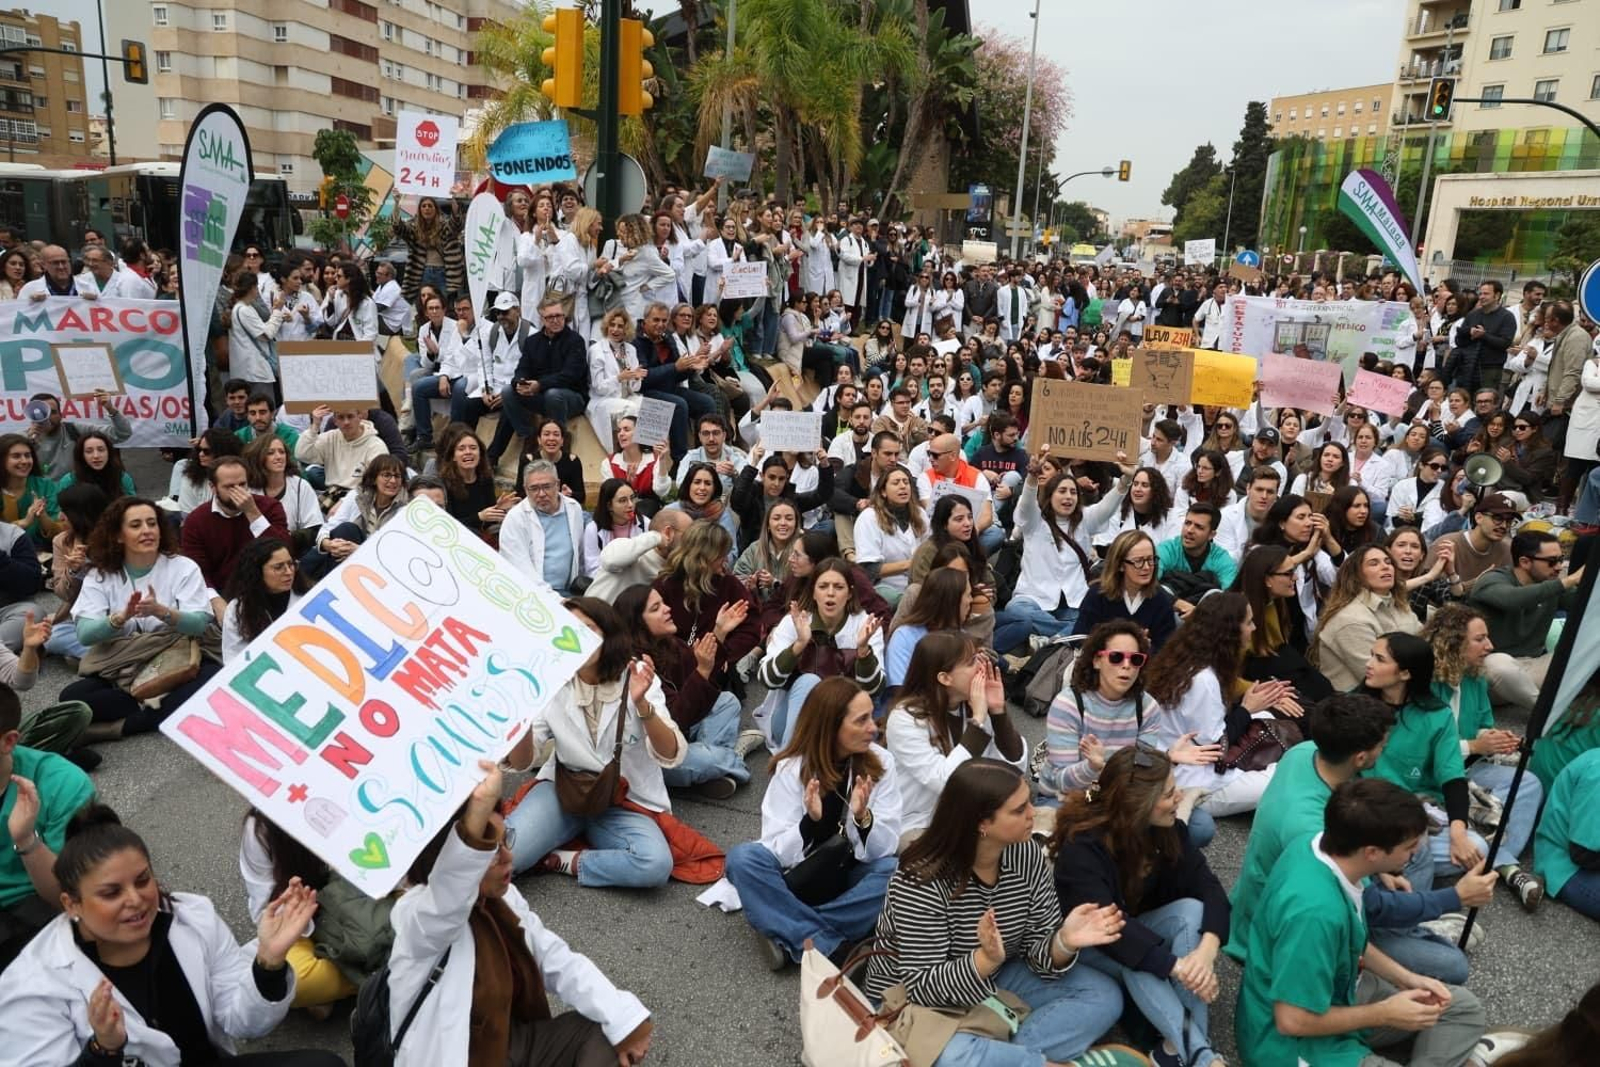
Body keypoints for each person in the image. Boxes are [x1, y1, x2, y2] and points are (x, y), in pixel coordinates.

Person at [0, 803, 342, 1067]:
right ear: (71, 903)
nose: (135, 900)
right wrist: (102, 1051)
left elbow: (242, 1023)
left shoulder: (192, 918)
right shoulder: (33, 983)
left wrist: (268, 963)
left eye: (142, 880)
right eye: (111, 893)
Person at [378, 759, 657, 1067]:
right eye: (490, 850)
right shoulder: (417, 917)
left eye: (505, 839)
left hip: (508, 1047)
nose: (509, 857)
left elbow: (553, 958)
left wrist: (624, 1019)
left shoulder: (505, 897)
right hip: (458, 1059)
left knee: (606, 1033)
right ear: (447, 859)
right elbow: (450, 896)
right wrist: (479, 808)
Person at [861, 758, 1135, 1066]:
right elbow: (923, 987)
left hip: (997, 977)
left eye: (1030, 802)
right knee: (952, 1057)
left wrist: (1064, 942)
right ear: (981, 823)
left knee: (1103, 995)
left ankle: (1004, 1056)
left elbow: (1037, 954)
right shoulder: (921, 878)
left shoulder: (1028, 854)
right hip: (911, 1002)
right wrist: (984, 959)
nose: (1034, 814)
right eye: (1019, 810)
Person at [1234, 778, 1487, 1067]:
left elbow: (1353, 941)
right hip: (1290, 1047)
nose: (1415, 853)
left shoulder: (1316, 846)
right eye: (1409, 846)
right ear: (1372, 853)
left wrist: (1409, 979)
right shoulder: (1314, 914)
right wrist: (1385, 1012)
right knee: (1446, 1012)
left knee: (1461, 1007)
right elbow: (1291, 1020)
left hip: (1340, 994)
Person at [1051, 746, 1232, 1067]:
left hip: (1131, 931)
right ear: (1137, 805)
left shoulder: (1166, 830)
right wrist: (1178, 967)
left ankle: (1180, 1051)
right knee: (1140, 959)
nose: (1179, 798)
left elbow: (1210, 888)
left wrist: (1205, 955)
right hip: (1085, 947)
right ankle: (1202, 1057)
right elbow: (1112, 931)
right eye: (1168, 794)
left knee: (1191, 910)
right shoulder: (1082, 847)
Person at [504, 597, 683, 886]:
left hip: (624, 800)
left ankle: (566, 860)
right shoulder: (549, 678)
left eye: (588, 629)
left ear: (608, 634)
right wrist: (521, 718)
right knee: (504, 857)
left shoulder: (636, 676)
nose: (578, 638)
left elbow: (671, 752)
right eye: (570, 630)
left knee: (655, 864)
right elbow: (523, 761)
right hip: (565, 791)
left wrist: (642, 706)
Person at [724, 677, 901, 969]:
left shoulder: (881, 762)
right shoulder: (793, 765)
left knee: (896, 872)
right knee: (742, 859)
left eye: (872, 716)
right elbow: (774, 849)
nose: (874, 727)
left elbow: (886, 847)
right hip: (799, 878)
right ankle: (832, 945)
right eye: (862, 720)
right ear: (831, 726)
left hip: (847, 876)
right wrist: (810, 823)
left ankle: (788, 928)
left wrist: (862, 818)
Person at [64, 498, 219, 743]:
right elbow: (84, 633)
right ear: (118, 536)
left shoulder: (183, 567)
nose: (147, 530)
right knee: (72, 698)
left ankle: (122, 727)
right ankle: (152, 703)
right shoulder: (101, 575)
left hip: (179, 658)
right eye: (136, 525)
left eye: (152, 523)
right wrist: (119, 618)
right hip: (125, 664)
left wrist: (162, 612)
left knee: (212, 679)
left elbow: (200, 624)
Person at [1422, 604, 1546, 910]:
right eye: (1480, 639)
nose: (1490, 646)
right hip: (1430, 777)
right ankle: (1508, 869)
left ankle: (1494, 859)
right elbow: (1423, 752)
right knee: (1474, 803)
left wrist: (1498, 740)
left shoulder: (1474, 678)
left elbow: (1483, 726)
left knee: (1528, 783)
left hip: (1468, 768)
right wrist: (1476, 746)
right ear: (1453, 642)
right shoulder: (1424, 684)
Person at [1143, 592, 1300, 820]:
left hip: (1174, 757)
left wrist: (1252, 706)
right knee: (1284, 776)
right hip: (1191, 780)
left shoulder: (1184, 656)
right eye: (1248, 622)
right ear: (1230, 632)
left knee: (1266, 716)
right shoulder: (1204, 679)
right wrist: (1247, 708)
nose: (1254, 628)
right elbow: (1216, 746)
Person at [1360, 632, 1488, 894]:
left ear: (1405, 673)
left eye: (1379, 658)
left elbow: (1452, 778)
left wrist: (1458, 833)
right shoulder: (1356, 707)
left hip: (1419, 808)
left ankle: (1384, 871)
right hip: (1364, 811)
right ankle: (1409, 907)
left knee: (1476, 847)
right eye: (1371, 655)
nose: (1368, 664)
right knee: (1416, 848)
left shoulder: (1437, 715)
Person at [883, 633, 1025, 840]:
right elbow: (944, 781)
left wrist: (998, 711)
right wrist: (977, 722)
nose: (980, 666)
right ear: (945, 678)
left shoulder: (974, 705)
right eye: (970, 662)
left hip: (970, 816)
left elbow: (1014, 770)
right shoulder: (904, 719)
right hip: (918, 824)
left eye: (978, 657)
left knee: (1022, 844)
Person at [0, 681, 95, 970]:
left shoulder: (62, 784)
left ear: (8, 741)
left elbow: (70, 898)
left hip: (36, 908)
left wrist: (26, 840)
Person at [757, 559, 885, 749]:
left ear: (849, 593)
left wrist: (863, 651)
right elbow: (766, 679)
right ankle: (790, 761)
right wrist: (799, 645)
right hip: (792, 720)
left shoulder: (865, 625)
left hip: (842, 719)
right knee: (809, 681)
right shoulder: (794, 622)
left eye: (838, 587)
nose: (830, 593)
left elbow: (874, 689)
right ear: (813, 593)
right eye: (823, 586)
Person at [1468, 528, 1583, 715]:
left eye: (1561, 560)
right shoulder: (1492, 581)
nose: (1559, 567)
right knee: (1498, 664)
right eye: (1552, 561)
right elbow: (1513, 599)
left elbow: (1583, 605)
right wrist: (1570, 580)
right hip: (1489, 674)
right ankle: (1552, 715)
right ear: (1524, 562)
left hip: (1533, 666)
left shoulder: (1550, 586)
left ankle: (1585, 708)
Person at [993, 459, 1094, 655]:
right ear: (1051, 494)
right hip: (1033, 599)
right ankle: (1063, 634)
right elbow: (1026, 505)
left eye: (1072, 492)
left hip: (1071, 602)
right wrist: (1031, 478)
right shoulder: (1035, 518)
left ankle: (1050, 640)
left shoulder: (1084, 521)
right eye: (1062, 492)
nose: (1067, 497)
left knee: (1093, 620)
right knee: (1016, 611)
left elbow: (1106, 507)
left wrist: (1124, 483)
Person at [652, 520, 762, 691]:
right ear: (704, 556)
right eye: (721, 554)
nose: (726, 560)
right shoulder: (664, 585)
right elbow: (651, 632)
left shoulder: (728, 584)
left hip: (715, 675)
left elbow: (751, 627)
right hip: (672, 673)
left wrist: (725, 654)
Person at [1309, 546, 1421, 693]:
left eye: (1388, 562)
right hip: (1358, 703)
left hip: (1400, 687)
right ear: (1357, 575)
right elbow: (1378, 677)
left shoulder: (1398, 605)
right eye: (1374, 563)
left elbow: (1424, 642)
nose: (1385, 567)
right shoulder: (1350, 619)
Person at [179, 457, 292, 593]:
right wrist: (215, 601)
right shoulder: (196, 521)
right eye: (229, 487)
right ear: (213, 488)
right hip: (222, 593)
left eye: (242, 484)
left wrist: (253, 513)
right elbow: (197, 571)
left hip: (269, 589)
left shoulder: (270, 507)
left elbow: (285, 550)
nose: (238, 492)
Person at [298, 455, 407, 582]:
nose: (393, 481)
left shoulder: (404, 512)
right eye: (387, 475)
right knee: (345, 531)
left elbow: (394, 555)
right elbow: (329, 527)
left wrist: (358, 551)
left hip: (375, 568)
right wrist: (328, 544)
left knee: (348, 530)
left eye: (397, 476)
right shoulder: (356, 496)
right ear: (374, 479)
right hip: (339, 555)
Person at [1072, 530, 1178, 652]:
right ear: (1120, 565)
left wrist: (1146, 648)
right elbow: (1078, 639)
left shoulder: (1161, 600)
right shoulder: (1098, 595)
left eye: (1150, 559)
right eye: (1138, 561)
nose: (1147, 567)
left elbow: (1168, 651)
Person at [498, 460, 588, 597]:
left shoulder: (573, 508)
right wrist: (557, 600)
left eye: (547, 487)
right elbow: (520, 569)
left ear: (557, 484)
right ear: (525, 489)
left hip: (570, 592)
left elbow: (581, 555)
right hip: (531, 594)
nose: (541, 494)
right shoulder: (515, 518)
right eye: (534, 489)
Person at [853, 465, 926, 606]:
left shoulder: (920, 513)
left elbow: (931, 547)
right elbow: (869, 570)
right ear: (883, 491)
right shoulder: (869, 518)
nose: (903, 486)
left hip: (920, 583)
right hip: (885, 588)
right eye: (896, 483)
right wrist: (911, 564)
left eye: (906, 482)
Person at [221, 538, 300, 663]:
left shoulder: (308, 595)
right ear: (257, 572)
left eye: (291, 564)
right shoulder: (238, 609)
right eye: (278, 567)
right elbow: (234, 658)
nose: (289, 572)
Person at [587, 507, 690, 602]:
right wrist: (657, 537)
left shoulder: (675, 568)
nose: (693, 541)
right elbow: (610, 561)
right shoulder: (631, 550)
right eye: (689, 535)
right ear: (668, 532)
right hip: (589, 617)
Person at [242, 435, 322, 555]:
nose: (278, 457)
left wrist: (287, 538)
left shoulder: (300, 485)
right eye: (270, 453)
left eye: (282, 452)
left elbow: (314, 529)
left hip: (295, 551)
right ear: (259, 457)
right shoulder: (250, 488)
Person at [584, 306, 646, 451]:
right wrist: (619, 378)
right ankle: (627, 448)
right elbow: (598, 387)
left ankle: (648, 450)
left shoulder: (630, 349)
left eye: (620, 326)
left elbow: (635, 388)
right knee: (630, 408)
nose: (616, 329)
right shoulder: (597, 350)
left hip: (626, 395)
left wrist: (636, 378)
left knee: (651, 406)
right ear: (606, 326)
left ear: (626, 329)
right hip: (603, 400)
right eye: (612, 325)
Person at [293, 406, 388, 495]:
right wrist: (315, 426)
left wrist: (348, 501)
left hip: (361, 495)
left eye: (350, 416)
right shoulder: (330, 438)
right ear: (335, 421)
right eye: (341, 418)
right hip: (332, 493)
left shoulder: (375, 445)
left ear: (360, 417)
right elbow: (301, 454)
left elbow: (379, 483)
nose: (346, 422)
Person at [1, 432, 60, 549]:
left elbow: (60, 533)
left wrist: (43, 516)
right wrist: (24, 522)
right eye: (16, 456)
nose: (24, 461)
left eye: (27, 455)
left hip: (44, 553)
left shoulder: (45, 486)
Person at [1214, 466, 1280, 562]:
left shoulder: (1282, 518)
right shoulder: (1226, 516)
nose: (1264, 496)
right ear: (1248, 489)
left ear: (1276, 495)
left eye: (1270, 492)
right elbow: (1224, 559)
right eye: (1259, 490)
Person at [56, 429, 133, 500]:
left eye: (101, 450)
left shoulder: (122, 478)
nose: (96, 456)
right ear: (81, 455)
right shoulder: (69, 481)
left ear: (109, 452)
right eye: (89, 451)